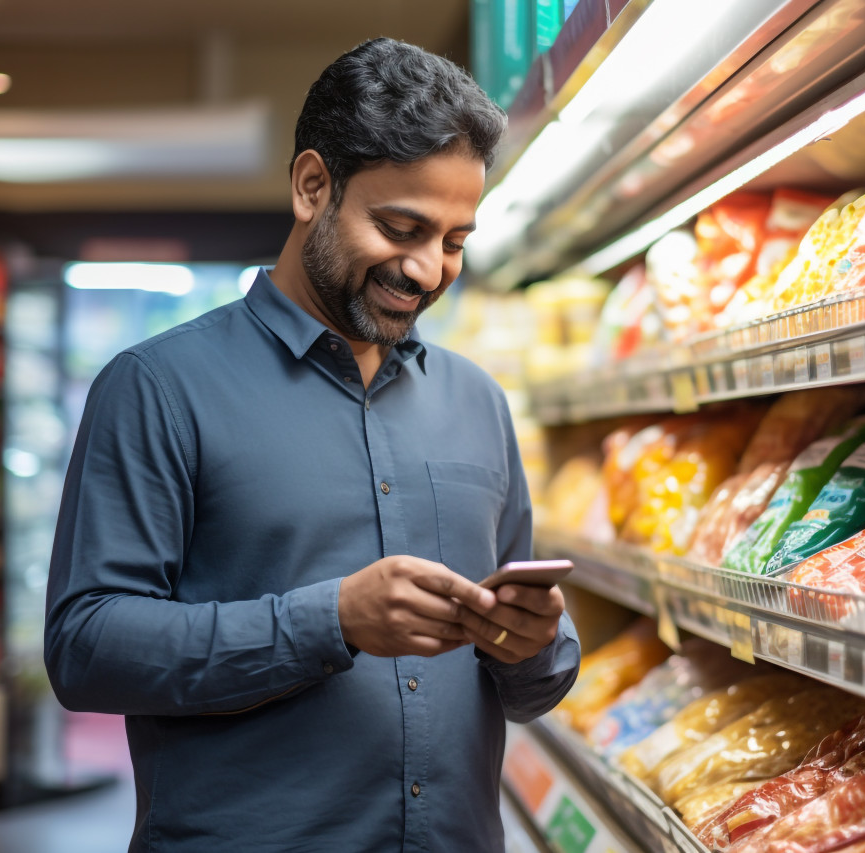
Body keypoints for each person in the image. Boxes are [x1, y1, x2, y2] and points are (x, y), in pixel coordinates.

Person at [44, 37, 580, 852]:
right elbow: (87, 648)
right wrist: (330, 620)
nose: (428, 269)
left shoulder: (478, 402)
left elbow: (531, 684)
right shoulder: (159, 386)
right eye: (401, 227)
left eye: (455, 240)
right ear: (312, 186)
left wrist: (534, 642)